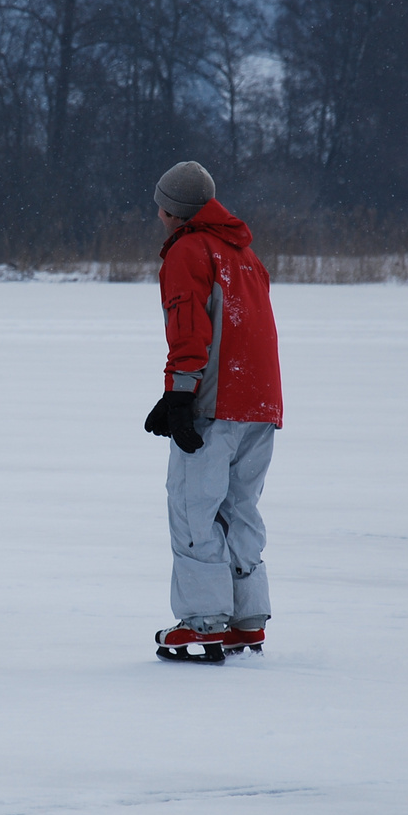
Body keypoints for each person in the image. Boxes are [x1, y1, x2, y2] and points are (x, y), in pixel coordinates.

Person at [143, 161, 283, 663]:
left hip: (215, 403)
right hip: (261, 403)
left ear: (171, 210)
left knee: (192, 505)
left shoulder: (188, 250)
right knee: (240, 507)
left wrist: (180, 395)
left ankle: (203, 622)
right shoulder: (244, 252)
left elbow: (189, 328)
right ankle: (248, 619)